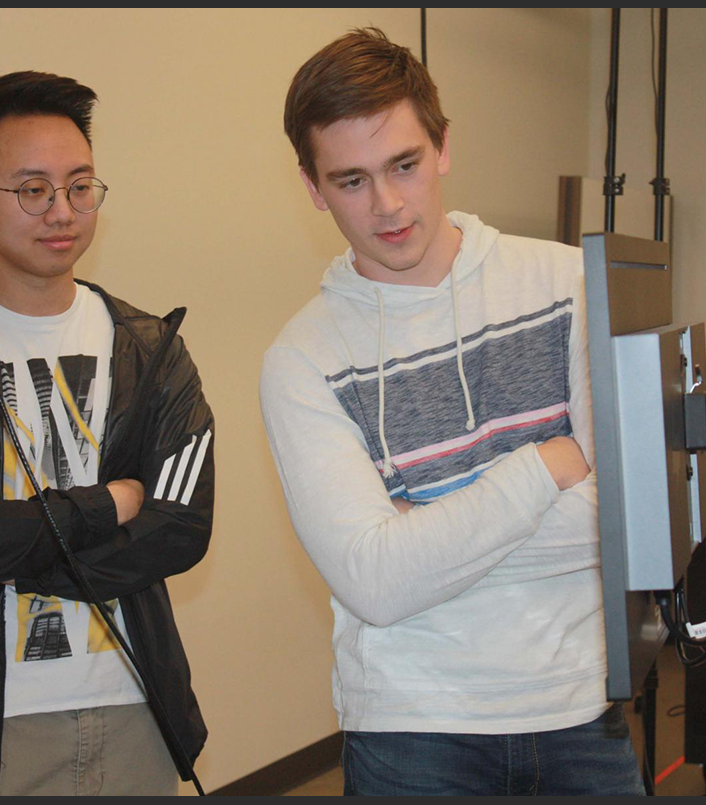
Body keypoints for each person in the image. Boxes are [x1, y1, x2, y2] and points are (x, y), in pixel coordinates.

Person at [259, 29, 645, 796]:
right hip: (409, 730)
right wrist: (546, 466)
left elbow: (622, 523)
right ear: (312, 187)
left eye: (403, 164)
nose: (386, 205)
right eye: (351, 180)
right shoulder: (301, 358)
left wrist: (421, 529)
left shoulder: (569, 285)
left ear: (442, 146)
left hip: (578, 706)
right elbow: (375, 582)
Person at [0, 71, 213, 796]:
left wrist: (5, 541)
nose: (62, 212)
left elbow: (182, 527)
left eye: (79, 186)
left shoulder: (151, 350)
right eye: (32, 189)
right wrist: (112, 502)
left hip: (134, 707)